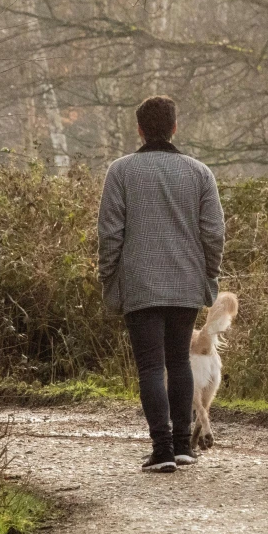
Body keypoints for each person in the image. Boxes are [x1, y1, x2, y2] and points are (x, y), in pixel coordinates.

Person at [97, 95, 225, 473]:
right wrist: (209, 274)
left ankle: (162, 449)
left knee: (151, 367)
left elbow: (109, 235)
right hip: (186, 283)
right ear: (174, 127)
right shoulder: (199, 172)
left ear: (139, 129)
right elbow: (214, 232)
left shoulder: (120, 172)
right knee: (178, 363)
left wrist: (110, 277)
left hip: (140, 285)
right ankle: (183, 445)